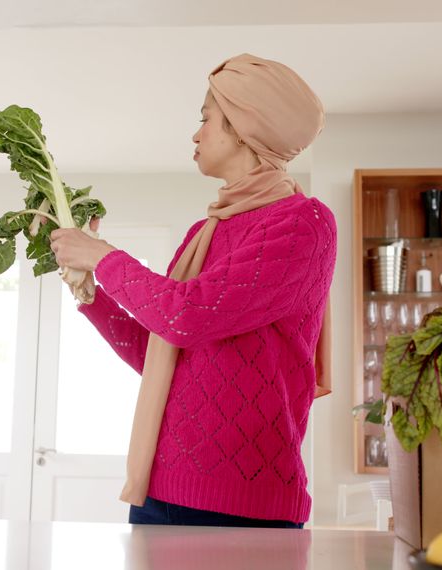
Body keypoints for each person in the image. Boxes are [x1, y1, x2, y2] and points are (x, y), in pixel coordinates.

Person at [50, 53, 335, 528]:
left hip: (243, 508)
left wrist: (101, 256)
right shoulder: (205, 232)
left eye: (206, 118)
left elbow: (187, 315)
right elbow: (158, 351)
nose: (195, 133)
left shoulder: (302, 223)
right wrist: (88, 290)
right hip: (158, 494)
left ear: (244, 129)